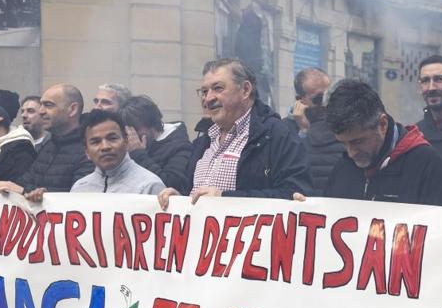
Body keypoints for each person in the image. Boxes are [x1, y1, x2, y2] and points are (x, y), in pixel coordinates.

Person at [158, 59, 312, 206]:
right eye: (204, 91)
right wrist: (180, 201)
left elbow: (295, 194)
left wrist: (225, 199)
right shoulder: (202, 142)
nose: (208, 98)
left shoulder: (276, 135)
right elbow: (195, 194)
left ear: (245, 90)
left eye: (218, 88)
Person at [321, 79, 442, 206]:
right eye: (343, 144)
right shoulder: (343, 167)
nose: (351, 153)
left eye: (358, 141)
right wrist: (305, 207)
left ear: (382, 124)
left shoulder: (428, 167)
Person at [0, 84, 91, 197]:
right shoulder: (48, 145)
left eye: (48, 105)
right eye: (41, 105)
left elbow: (79, 199)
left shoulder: (88, 151)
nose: (41, 111)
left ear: (72, 109)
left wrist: (24, 192)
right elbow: (24, 182)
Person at [70, 110, 164, 195]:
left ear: (126, 142)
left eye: (112, 138)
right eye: (96, 142)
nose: (105, 146)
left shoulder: (149, 186)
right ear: (87, 152)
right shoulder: (79, 189)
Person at [121, 95, 191, 192]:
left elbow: (171, 185)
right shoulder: (128, 144)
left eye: (136, 129)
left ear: (151, 124)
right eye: (127, 131)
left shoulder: (180, 146)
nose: (131, 136)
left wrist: (138, 154)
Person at [288, 67, 331, 135]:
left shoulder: (335, 118)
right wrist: (304, 129)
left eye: (328, 96)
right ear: (299, 99)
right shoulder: (286, 128)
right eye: (318, 98)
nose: (325, 103)